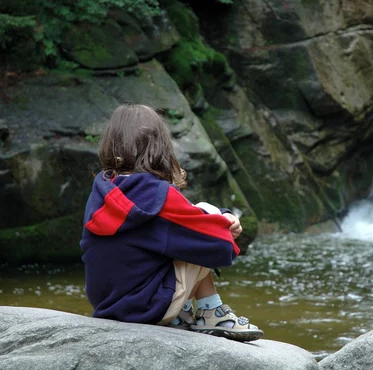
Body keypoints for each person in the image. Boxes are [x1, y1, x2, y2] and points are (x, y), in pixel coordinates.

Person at [80, 104, 263, 342]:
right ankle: (211, 312)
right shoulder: (158, 195)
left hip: (109, 305)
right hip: (146, 308)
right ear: (160, 147)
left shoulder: (101, 192)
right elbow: (220, 247)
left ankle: (183, 313)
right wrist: (225, 220)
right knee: (204, 213)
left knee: (185, 230)